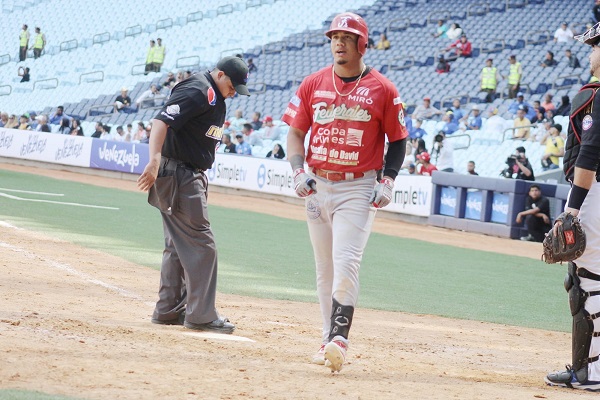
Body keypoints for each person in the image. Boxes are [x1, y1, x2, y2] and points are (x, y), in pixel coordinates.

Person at [282, 12, 408, 373]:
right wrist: (296, 170)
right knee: (324, 268)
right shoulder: (313, 83)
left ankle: (340, 337)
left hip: (358, 186)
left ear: (361, 44)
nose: (338, 43)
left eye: (346, 37)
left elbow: (398, 141)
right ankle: (326, 338)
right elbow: (294, 132)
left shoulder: (383, 88)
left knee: (346, 262)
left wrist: (388, 179)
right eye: (334, 37)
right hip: (317, 184)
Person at [136, 55, 250, 335]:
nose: (234, 92)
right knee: (202, 245)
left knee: (177, 245)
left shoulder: (211, 94)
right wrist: (153, 159)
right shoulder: (198, 90)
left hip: (183, 173)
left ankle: (168, 309)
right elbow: (161, 122)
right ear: (220, 74)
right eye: (233, 85)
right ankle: (201, 314)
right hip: (180, 175)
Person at [544, 21, 600, 392]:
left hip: (593, 192)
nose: (591, 52)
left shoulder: (595, 95)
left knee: (584, 282)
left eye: (595, 45)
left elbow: (589, 153)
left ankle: (588, 372)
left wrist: (573, 209)